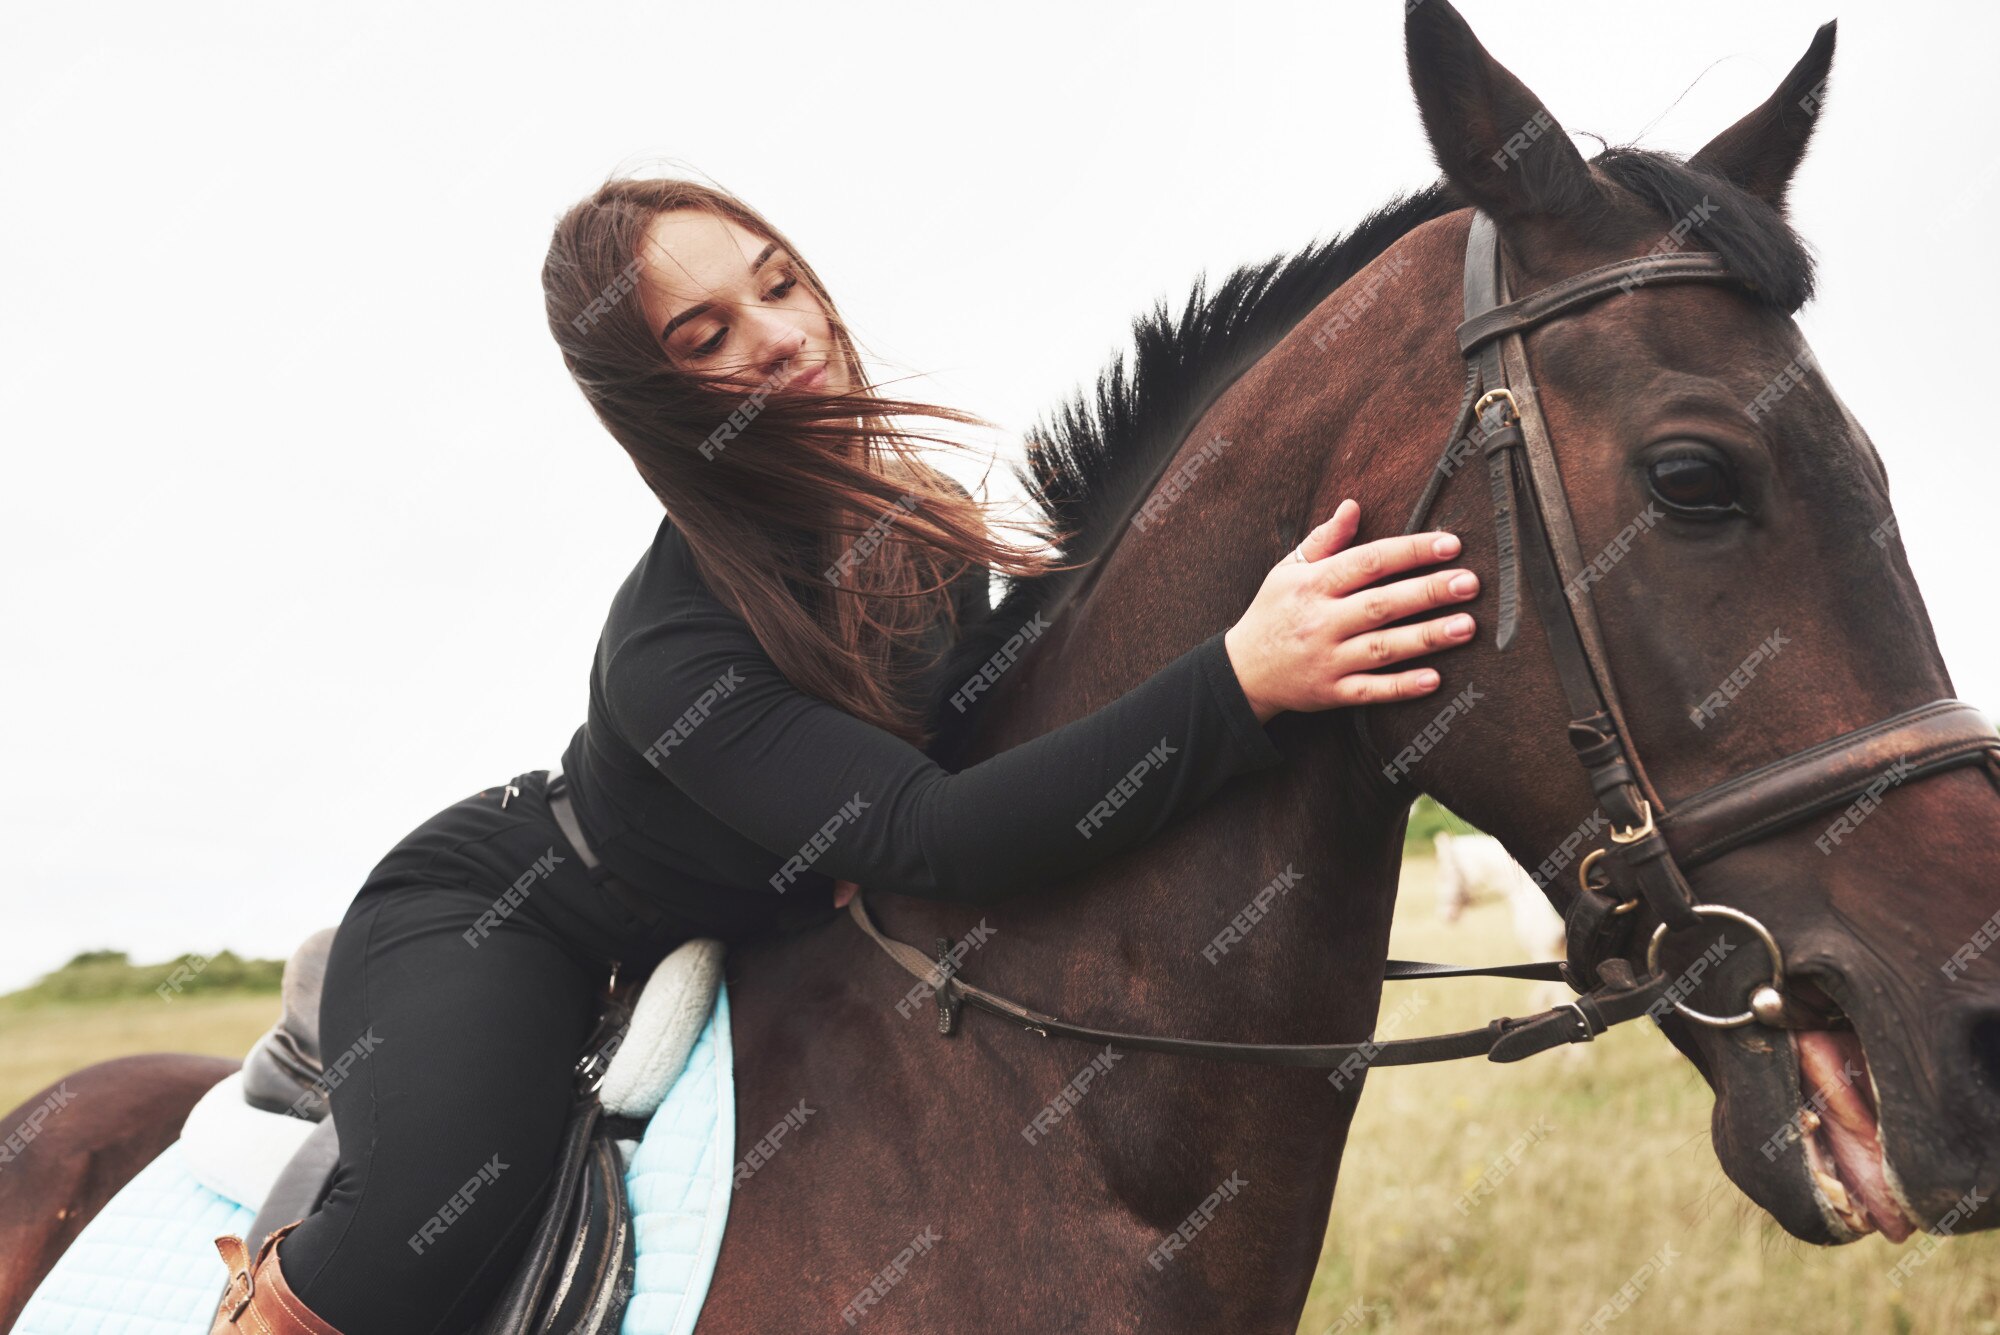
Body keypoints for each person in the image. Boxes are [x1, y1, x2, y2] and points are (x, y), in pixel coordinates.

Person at [207, 176, 1482, 1335]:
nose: (776, 333)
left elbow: (1013, 759)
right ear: (651, 398)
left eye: (777, 283)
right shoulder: (671, 651)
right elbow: (934, 829)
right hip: (509, 918)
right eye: (703, 336)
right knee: (430, 1225)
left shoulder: (918, 533)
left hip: (733, 910)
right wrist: (1240, 679)